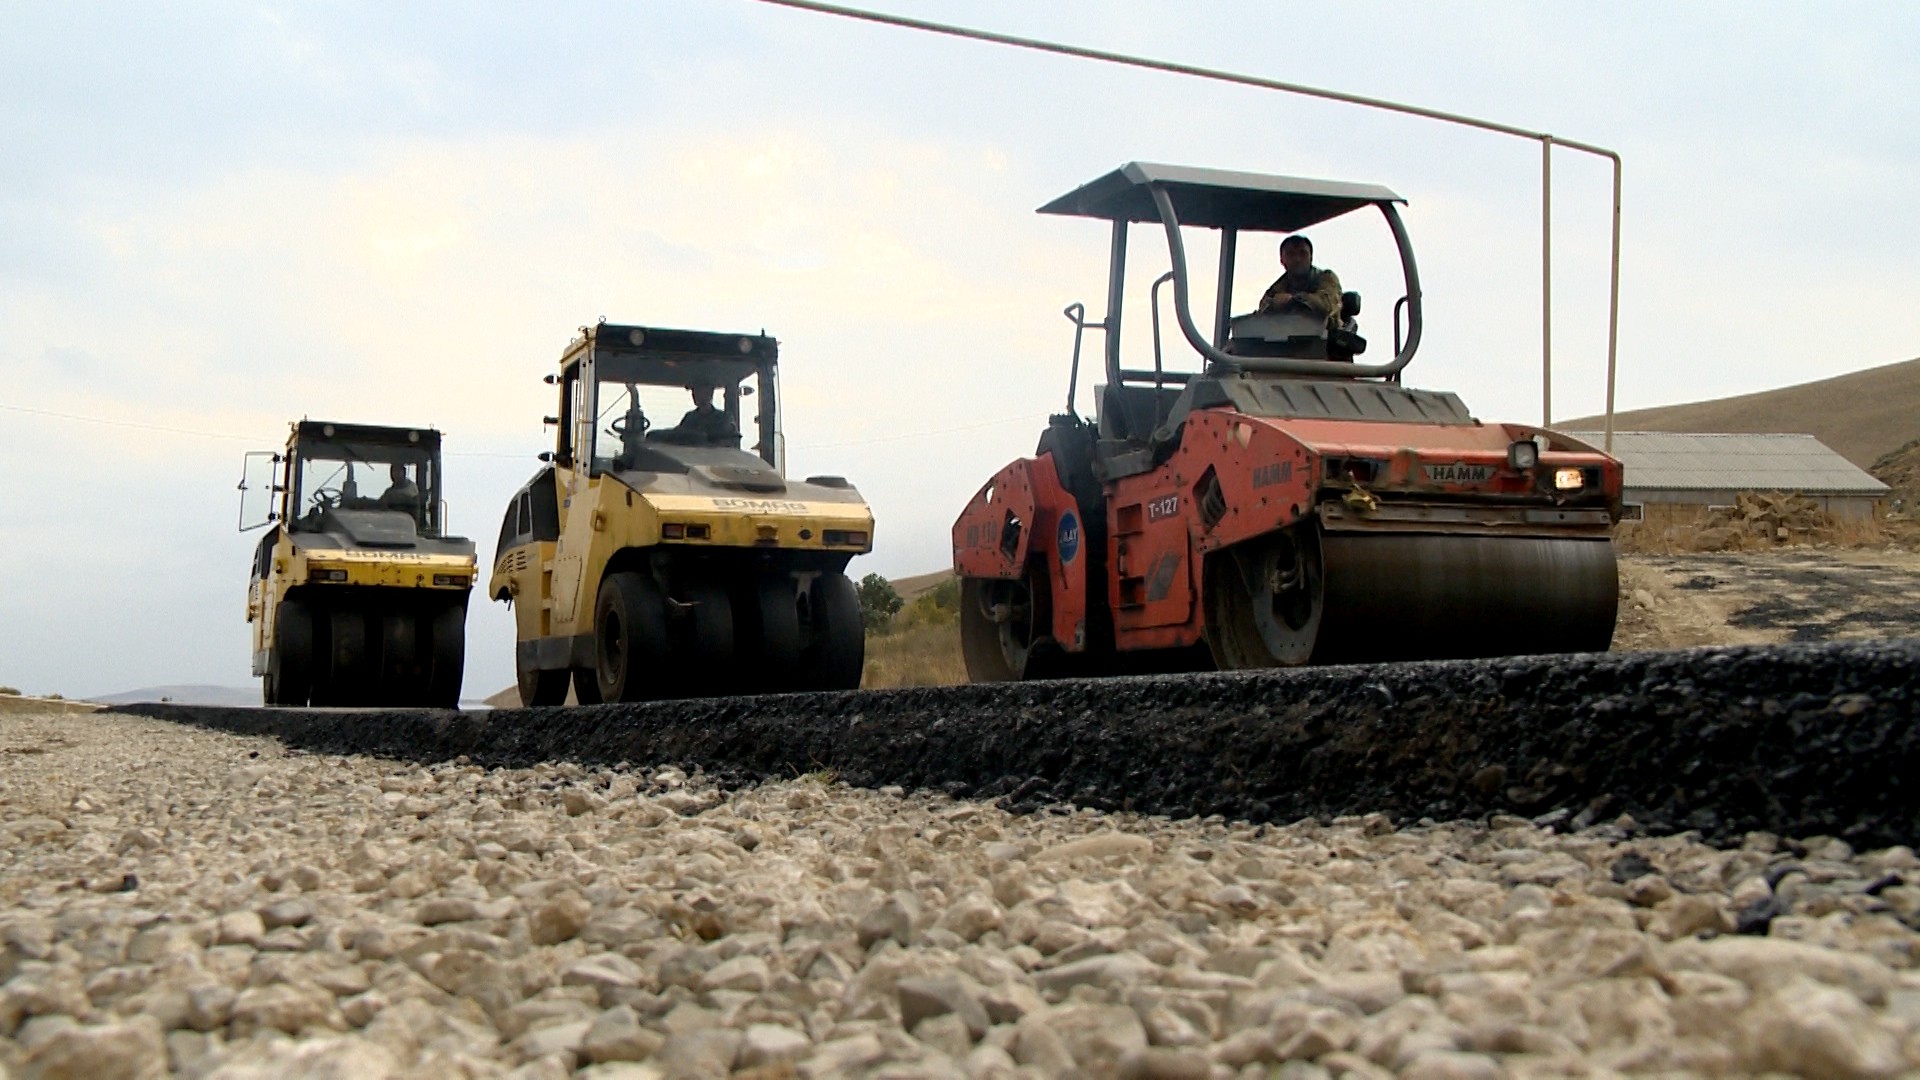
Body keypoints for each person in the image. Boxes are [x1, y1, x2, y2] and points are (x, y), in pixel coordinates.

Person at [1258, 234, 1344, 329]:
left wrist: (1294, 300)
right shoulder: (1279, 286)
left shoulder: (1326, 278)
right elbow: (1263, 309)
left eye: (1302, 254)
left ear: (1311, 257)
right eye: (1291, 254)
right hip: (1290, 338)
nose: (1297, 259)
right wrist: (1273, 304)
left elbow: (1325, 304)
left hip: (1325, 337)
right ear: (1282, 260)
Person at [656, 379, 736, 446]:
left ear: (710, 394)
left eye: (700, 392)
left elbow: (728, 442)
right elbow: (678, 433)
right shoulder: (690, 417)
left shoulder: (723, 418)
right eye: (694, 392)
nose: (695, 395)